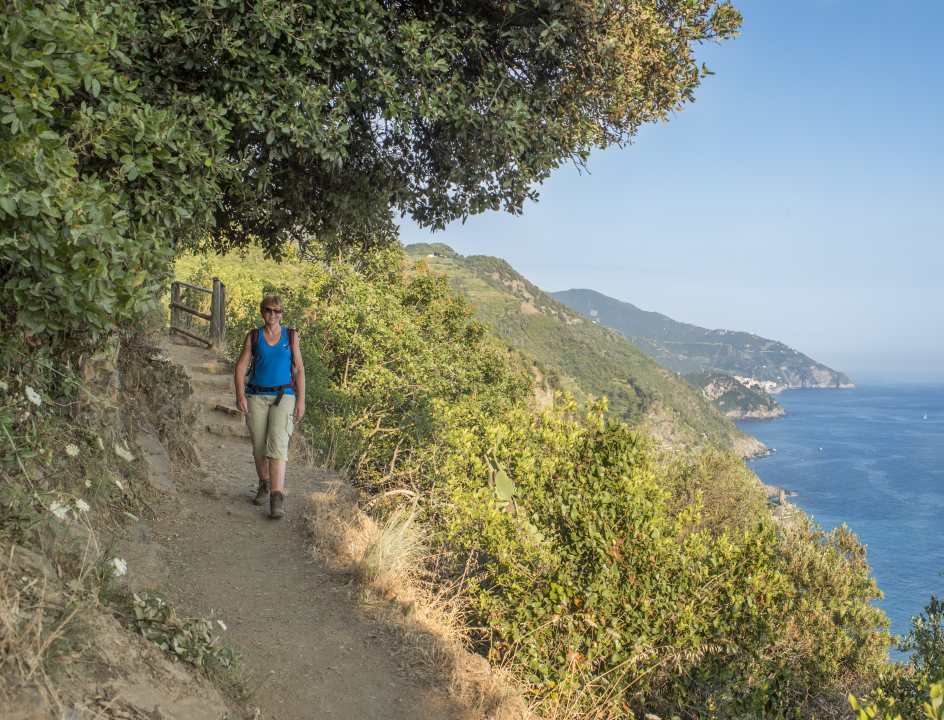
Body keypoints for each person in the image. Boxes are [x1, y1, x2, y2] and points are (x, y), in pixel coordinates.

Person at [234, 295, 305, 518]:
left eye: (277, 311)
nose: (272, 315)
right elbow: (240, 367)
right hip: (256, 395)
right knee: (259, 445)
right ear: (262, 312)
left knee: (278, 445)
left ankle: (277, 497)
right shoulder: (254, 336)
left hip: (284, 395)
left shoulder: (291, 336)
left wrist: (301, 400)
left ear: (282, 313)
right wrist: (239, 395)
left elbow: (299, 370)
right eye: (268, 310)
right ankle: (264, 483)